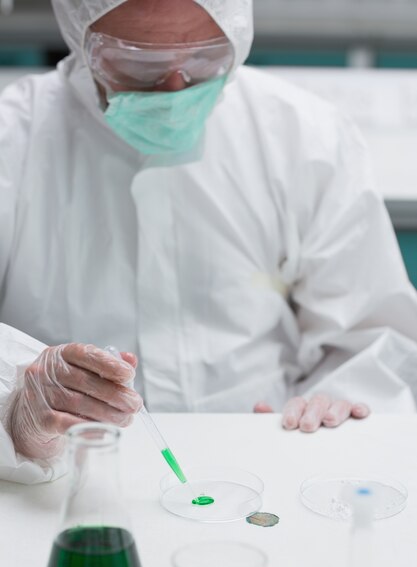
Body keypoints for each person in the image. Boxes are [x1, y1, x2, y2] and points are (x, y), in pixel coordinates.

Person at [1, 0, 417, 484]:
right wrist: (15, 407)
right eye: (137, 63)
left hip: (273, 472)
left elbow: (373, 336)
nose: (175, 89)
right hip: (66, 483)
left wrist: (334, 403)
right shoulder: (13, 142)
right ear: (79, 34)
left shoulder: (305, 136)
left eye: (205, 58)